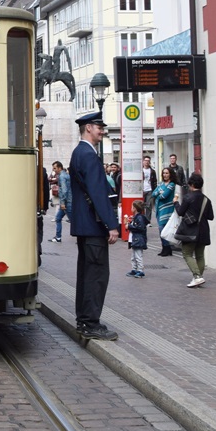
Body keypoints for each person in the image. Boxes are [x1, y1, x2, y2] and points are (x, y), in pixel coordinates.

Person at [68, 111, 120, 341]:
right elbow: (98, 193)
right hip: (93, 225)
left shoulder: (78, 152)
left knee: (86, 274)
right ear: (88, 128)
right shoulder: (89, 155)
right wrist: (111, 225)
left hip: (84, 225)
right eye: (99, 127)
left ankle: (84, 320)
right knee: (96, 276)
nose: (102, 131)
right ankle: (90, 323)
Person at [174, 172, 213, 288]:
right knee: (200, 255)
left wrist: (175, 203)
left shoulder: (188, 197)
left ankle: (197, 277)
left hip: (190, 230)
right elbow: (211, 216)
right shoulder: (206, 200)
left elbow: (180, 212)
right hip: (203, 230)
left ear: (191, 185)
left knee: (187, 253)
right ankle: (198, 277)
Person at [152, 167, 177, 256]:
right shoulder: (161, 184)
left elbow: (164, 196)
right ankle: (165, 248)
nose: (165, 175)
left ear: (170, 174)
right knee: (161, 230)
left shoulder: (171, 184)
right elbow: (153, 194)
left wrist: (159, 193)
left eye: (167, 173)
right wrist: (159, 192)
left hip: (167, 209)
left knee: (163, 228)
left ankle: (167, 247)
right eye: (164, 173)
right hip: (159, 209)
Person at [125, 201, 149, 278]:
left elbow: (140, 228)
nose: (131, 208)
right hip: (135, 239)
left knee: (138, 256)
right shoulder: (137, 217)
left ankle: (140, 270)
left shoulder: (139, 218)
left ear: (135, 208)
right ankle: (134, 269)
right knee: (134, 256)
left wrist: (129, 226)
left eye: (132, 207)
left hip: (138, 239)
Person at [52, 161, 71, 243]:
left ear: (59, 168)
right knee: (58, 218)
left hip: (67, 202)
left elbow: (64, 190)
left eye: (55, 168)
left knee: (73, 220)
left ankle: (82, 237)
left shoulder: (62, 176)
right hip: (67, 201)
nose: (54, 170)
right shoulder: (65, 175)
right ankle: (58, 237)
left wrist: (62, 203)